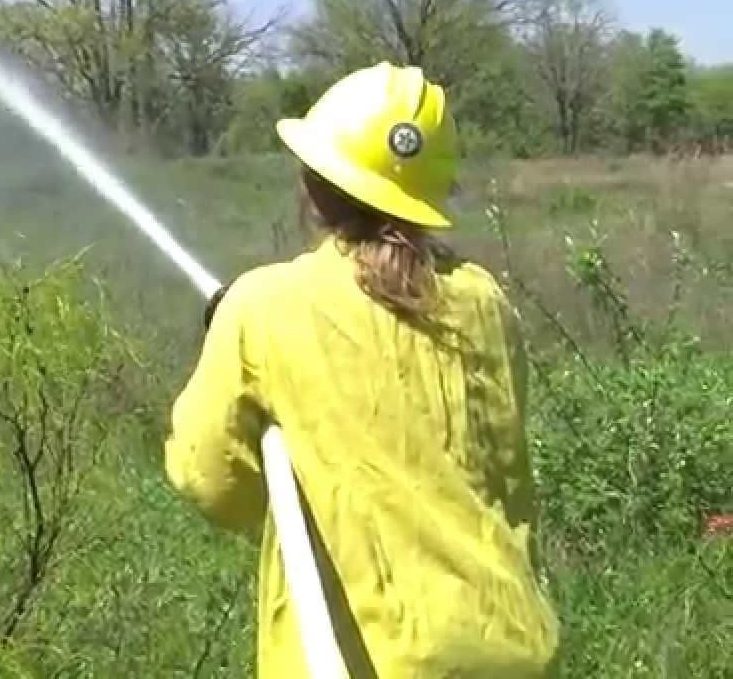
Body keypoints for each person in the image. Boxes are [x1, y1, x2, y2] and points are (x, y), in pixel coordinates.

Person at [165, 62, 561, 678]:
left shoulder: (262, 305)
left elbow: (211, 482)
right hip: (507, 647)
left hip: (356, 662)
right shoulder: (484, 300)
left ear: (313, 183)